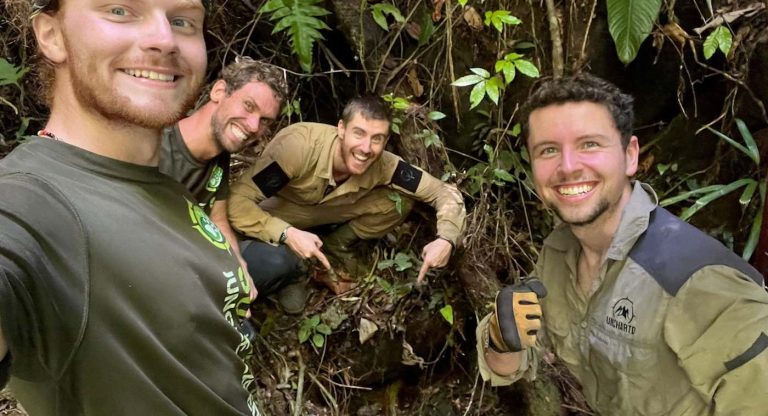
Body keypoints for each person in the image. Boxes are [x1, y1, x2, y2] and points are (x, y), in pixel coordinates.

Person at [0, 0, 260, 414]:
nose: (164, 39)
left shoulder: (159, 182)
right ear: (51, 34)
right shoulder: (28, 204)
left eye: (182, 21)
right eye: (120, 10)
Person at [476, 74, 768, 415]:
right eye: (549, 150)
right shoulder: (559, 253)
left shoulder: (698, 281)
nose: (568, 167)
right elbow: (514, 361)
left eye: (589, 144)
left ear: (630, 156)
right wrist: (499, 340)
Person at [227, 95, 466, 312]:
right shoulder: (298, 148)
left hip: (326, 213)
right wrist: (286, 234)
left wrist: (446, 239)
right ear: (341, 129)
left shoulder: (385, 165)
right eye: (359, 133)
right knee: (267, 257)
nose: (365, 149)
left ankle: (333, 248)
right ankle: (294, 268)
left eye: (377, 139)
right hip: (279, 212)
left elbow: (442, 191)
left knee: (399, 201)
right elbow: (237, 201)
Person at [159, 57, 288, 296]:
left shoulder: (219, 152)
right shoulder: (155, 150)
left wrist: (238, 267)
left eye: (264, 121)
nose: (253, 126)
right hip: (157, 270)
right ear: (219, 91)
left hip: (194, 256)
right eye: (248, 106)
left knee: (279, 260)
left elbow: (217, 219)